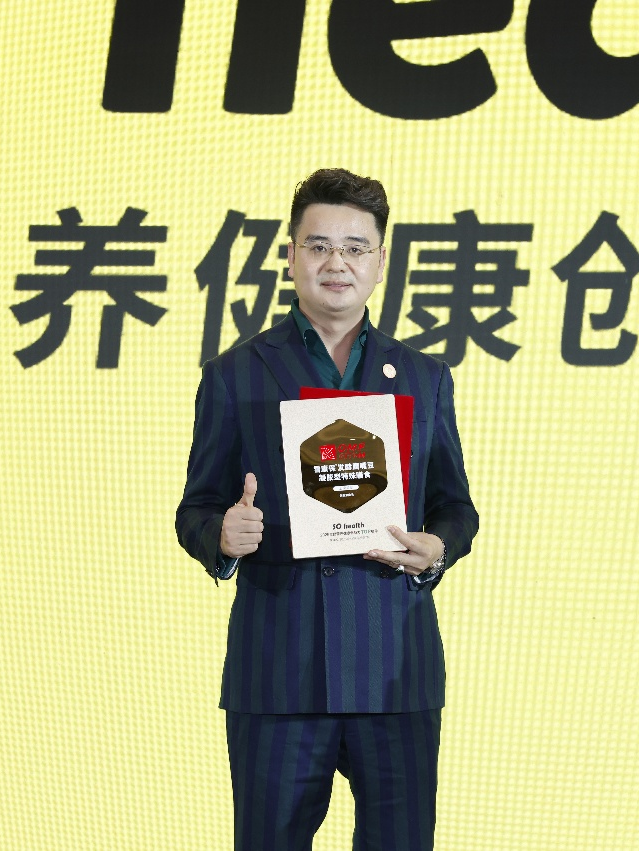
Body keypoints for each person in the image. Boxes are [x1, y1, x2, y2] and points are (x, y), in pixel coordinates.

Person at [175, 168, 479, 851]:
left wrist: (437, 548)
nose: (335, 262)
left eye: (354, 247)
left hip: (394, 671)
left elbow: (455, 506)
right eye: (317, 246)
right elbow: (196, 507)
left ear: (380, 261)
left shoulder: (424, 377)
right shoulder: (236, 374)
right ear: (290, 256)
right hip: (278, 672)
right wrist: (221, 535)